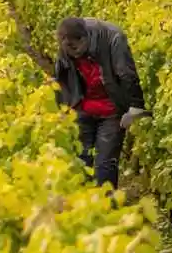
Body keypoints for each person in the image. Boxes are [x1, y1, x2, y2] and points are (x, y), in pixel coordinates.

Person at [54, 17, 148, 188]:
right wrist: (63, 109)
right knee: (81, 161)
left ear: (85, 38)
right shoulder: (66, 42)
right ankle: (83, 202)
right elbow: (62, 78)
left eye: (75, 48)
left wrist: (135, 106)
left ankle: (107, 202)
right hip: (82, 107)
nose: (73, 53)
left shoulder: (112, 38)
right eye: (68, 49)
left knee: (105, 163)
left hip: (111, 109)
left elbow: (126, 73)